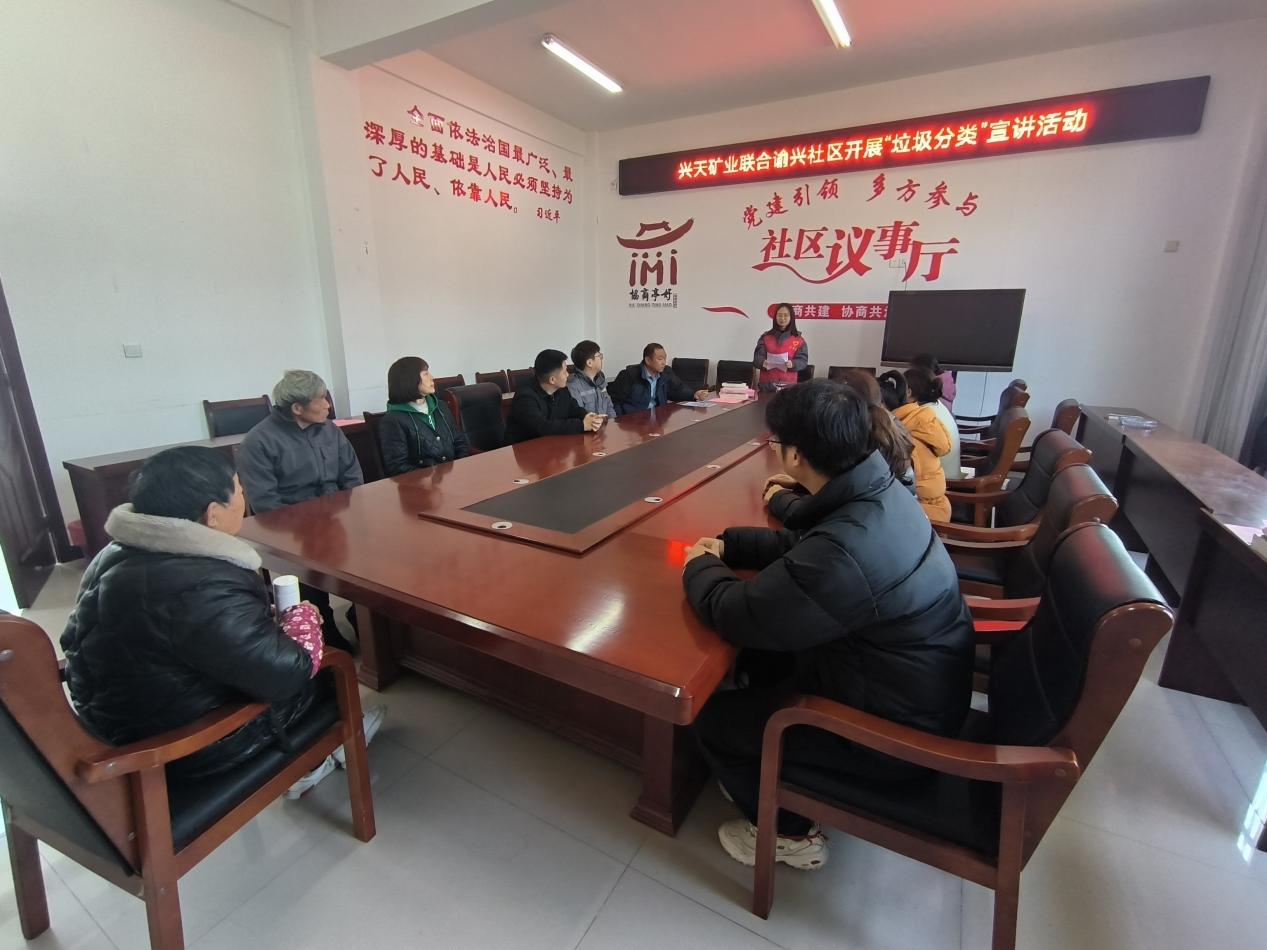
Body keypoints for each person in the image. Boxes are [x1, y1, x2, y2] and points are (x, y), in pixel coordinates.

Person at [681, 381, 973, 870]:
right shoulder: (877, 489)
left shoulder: (846, 547)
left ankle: (791, 834)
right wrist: (730, 545)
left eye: (775, 442)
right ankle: (763, 778)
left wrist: (698, 566)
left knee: (715, 719)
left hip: (893, 736)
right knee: (762, 663)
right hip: (912, 689)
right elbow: (806, 545)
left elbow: (739, 614)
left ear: (795, 455)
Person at [59, 447, 385, 798]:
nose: (244, 497)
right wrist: (301, 619)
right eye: (239, 490)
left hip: (115, 724)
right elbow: (290, 672)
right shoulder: (200, 583)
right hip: (184, 749)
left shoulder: (114, 553)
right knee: (327, 667)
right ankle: (317, 757)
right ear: (213, 514)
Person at [238, 369, 363, 652]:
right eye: (322, 399)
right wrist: (310, 526)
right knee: (310, 564)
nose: (328, 405)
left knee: (373, 557)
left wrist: (347, 514)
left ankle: (360, 613)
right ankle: (322, 623)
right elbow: (265, 503)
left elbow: (352, 475)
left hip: (337, 518)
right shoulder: (259, 442)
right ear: (297, 408)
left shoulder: (329, 430)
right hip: (293, 531)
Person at [764, 370, 913, 523]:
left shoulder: (867, 443)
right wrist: (801, 483)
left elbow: (825, 513)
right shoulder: (882, 431)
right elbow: (844, 488)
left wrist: (779, 497)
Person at [881, 369, 952, 522]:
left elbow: (897, 488)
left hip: (925, 513)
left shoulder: (901, 433)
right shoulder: (920, 417)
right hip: (936, 504)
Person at [379, 356, 471, 475]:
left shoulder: (440, 406)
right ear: (410, 380)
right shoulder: (393, 420)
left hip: (455, 477)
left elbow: (459, 442)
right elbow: (398, 467)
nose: (432, 378)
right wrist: (431, 480)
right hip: (421, 484)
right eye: (426, 374)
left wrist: (460, 470)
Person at [504, 349, 604, 444]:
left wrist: (587, 416)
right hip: (526, 449)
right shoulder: (525, 397)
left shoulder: (561, 388)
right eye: (564, 372)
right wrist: (582, 425)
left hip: (554, 445)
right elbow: (542, 427)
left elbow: (573, 408)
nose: (568, 375)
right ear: (552, 380)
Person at [608, 343, 709, 415]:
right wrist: (620, 420)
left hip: (657, 418)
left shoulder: (666, 372)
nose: (664, 362)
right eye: (660, 359)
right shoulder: (629, 375)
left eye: (665, 358)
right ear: (648, 360)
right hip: (633, 421)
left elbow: (678, 389)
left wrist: (693, 394)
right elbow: (613, 400)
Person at [753, 303, 809, 388]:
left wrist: (793, 364)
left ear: (791, 317)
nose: (782, 318)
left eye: (786, 315)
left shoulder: (799, 340)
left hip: (788, 386)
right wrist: (762, 362)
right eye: (779, 315)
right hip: (766, 385)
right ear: (775, 317)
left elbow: (803, 361)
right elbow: (757, 358)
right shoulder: (765, 337)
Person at [566, 340, 616, 417]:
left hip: (606, 423)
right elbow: (580, 416)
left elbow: (609, 407)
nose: (602, 359)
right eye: (599, 356)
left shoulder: (600, 380)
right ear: (589, 363)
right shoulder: (573, 385)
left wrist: (613, 422)